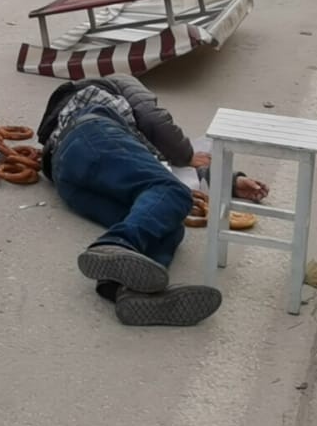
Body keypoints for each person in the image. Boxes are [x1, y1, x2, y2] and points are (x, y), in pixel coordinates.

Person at [37, 76, 269, 327]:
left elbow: (171, 164)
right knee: (174, 192)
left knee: (167, 223)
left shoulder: (114, 137)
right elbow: (158, 125)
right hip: (93, 134)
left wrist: (231, 181)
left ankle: (126, 290)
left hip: (67, 177)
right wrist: (187, 153)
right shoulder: (120, 85)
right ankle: (117, 244)